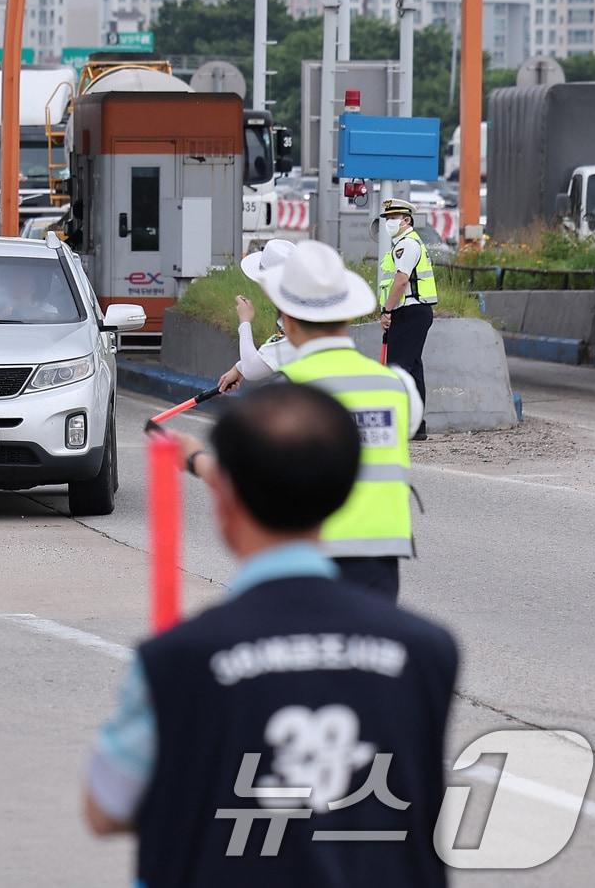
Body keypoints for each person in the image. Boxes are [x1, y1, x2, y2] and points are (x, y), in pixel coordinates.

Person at [85, 382, 459, 888]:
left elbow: (106, 808)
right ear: (344, 496)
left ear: (224, 505)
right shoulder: (427, 652)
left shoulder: (176, 658)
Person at [197, 240, 423, 602]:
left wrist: (193, 459)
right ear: (347, 315)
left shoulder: (285, 397)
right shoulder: (398, 387)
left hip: (310, 559)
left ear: (286, 320)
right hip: (381, 563)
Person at [378, 198, 437, 440]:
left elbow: (401, 281)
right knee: (412, 370)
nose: (389, 222)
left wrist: (387, 310)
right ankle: (416, 426)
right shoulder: (403, 244)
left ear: (406, 220)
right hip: (412, 312)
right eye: (387, 218)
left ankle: (401, 423)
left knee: (398, 369)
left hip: (410, 312)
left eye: (393, 218)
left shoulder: (407, 245)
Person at [217, 239, 298, 393]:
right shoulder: (301, 313)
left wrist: (244, 321)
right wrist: (239, 367)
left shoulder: (298, 326)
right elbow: (275, 350)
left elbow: (252, 370)